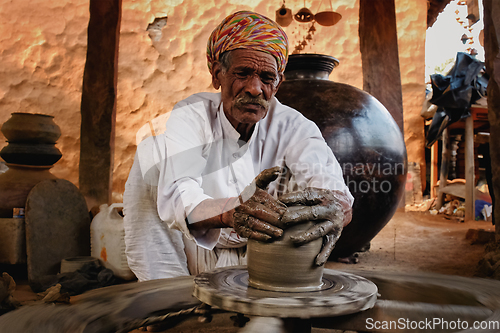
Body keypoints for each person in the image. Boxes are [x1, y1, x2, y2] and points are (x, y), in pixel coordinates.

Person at [123, 10, 353, 282]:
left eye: (267, 78)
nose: (255, 88)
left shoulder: (294, 126)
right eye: (243, 73)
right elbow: (178, 194)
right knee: (152, 151)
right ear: (216, 74)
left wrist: (334, 205)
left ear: (278, 84)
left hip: (266, 254)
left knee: (314, 197)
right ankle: (165, 295)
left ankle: (279, 299)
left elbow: (334, 190)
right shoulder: (190, 116)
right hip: (196, 254)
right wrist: (232, 212)